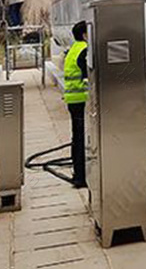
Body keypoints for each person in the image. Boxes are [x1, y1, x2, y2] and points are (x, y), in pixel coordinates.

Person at [63, 21, 89, 188]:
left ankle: (78, 174)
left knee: (77, 138)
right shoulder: (84, 50)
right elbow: (87, 75)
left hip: (73, 100)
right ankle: (81, 177)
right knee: (81, 139)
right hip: (81, 100)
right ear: (85, 35)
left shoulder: (74, 49)